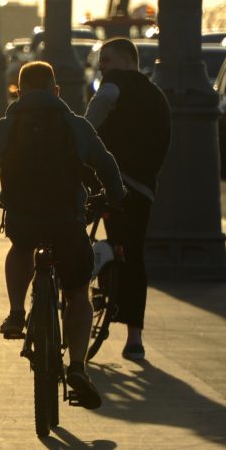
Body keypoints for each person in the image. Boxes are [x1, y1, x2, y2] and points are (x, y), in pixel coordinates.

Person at [0, 61, 126, 409]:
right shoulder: (76, 125)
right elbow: (106, 163)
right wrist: (116, 196)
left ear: (20, 91)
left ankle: (15, 312)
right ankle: (77, 366)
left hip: (23, 218)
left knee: (20, 247)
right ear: (56, 91)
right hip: (66, 221)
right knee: (77, 293)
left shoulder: (7, 125)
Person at [85, 37, 171, 361]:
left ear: (123, 61)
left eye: (105, 60)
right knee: (133, 256)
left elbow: (87, 129)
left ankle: (91, 270)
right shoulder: (157, 96)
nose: (101, 67)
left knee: (73, 230)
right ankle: (134, 338)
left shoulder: (111, 87)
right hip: (143, 189)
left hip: (106, 180)